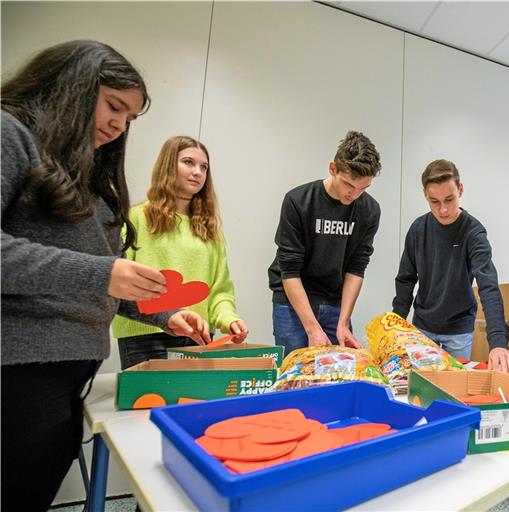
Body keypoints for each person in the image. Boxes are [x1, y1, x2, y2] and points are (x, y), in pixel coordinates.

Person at [1, 40, 210, 512]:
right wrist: (103, 272)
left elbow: (107, 284)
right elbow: (98, 274)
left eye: (129, 118)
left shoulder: (91, 176)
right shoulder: (9, 134)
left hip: (68, 372)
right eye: (114, 106)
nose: (118, 125)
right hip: (16, 371)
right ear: (69, 87)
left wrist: (167, 315)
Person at [112, 136, 249, 369]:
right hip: (145, 337)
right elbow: (120, 281)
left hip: (198, 339)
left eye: (203, 167)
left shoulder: (209, 229)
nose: (197, 172)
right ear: (167, 165)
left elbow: (220, 291)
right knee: (145, 405)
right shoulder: (136, 218)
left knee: (191, 404)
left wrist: (230, 320)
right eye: (188, 162)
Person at [392, 159, 509, 372]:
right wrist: (396, 327)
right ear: (425, 196)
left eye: (449, 199)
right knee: (419, 385)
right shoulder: (418, 229)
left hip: (458, 329)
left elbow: (488, 286)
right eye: (434, 202)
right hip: (422, 325)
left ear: (460, 190)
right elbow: (405, 279)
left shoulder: (474, 233)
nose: (443, 210)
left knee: (453, 387)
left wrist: (498, 342)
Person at [268, 131, 381, 356]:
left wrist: (343, 322)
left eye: (363, 189)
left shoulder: (370, 210)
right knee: (295, 377)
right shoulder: (298, 201)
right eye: (349, 185)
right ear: (333, 169)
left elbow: (356, 268)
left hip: (334, 303)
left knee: (338, 376)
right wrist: (312, 328)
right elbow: (289, 270)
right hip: (293, 303)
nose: (354, 195)